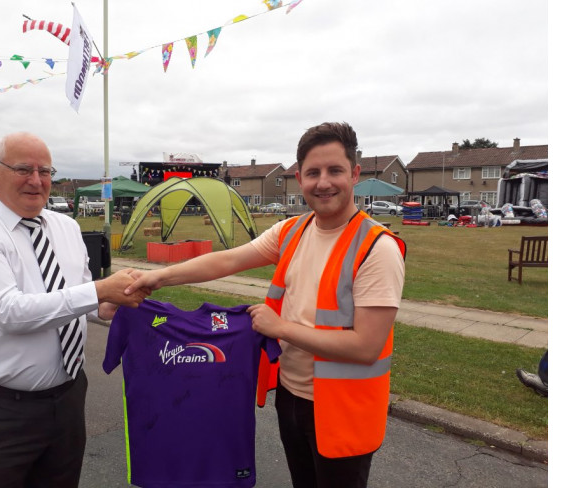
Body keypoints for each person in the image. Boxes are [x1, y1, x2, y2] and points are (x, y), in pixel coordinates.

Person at [124, 122, 406, 487]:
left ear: (354, 174)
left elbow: (366, 347)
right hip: (291, 396)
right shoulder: (292, 231)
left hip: (343, 411)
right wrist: (157, 278)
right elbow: (225, 261)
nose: (323, 182)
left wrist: (280, 328)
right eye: (312, 172)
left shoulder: (376, 249)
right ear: (299, 178)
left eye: (335, 170)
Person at [0, 132, 148, 487]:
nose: (36, 181)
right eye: (23, 169)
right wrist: (98, 290)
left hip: (68, 396)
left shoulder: (67, 227)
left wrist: (104, 306)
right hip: (0, 409)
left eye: (45, 171)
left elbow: (75, 298)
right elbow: (10, 313)